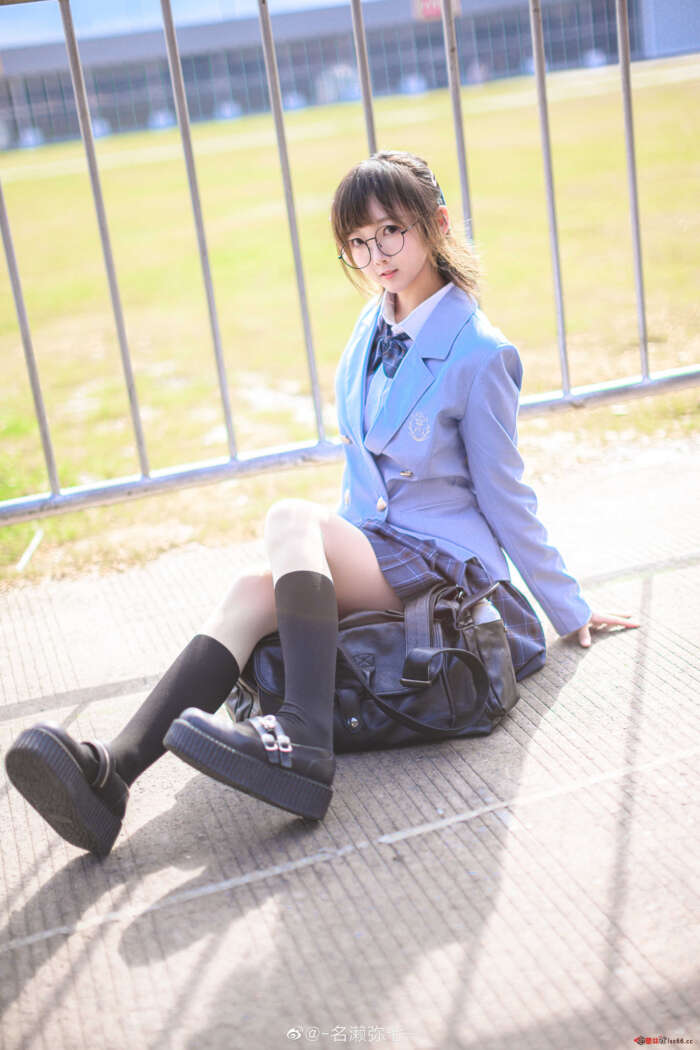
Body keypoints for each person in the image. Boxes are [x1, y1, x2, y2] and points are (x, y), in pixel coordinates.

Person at [5, 150, 639, 858]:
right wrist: (327, 560)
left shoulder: (481, 352)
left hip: (446, 569)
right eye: (359, 243)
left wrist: (568, 608)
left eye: (391, 231)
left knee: (289, 518)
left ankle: (303, 739)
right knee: (252, 590)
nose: (376, 256)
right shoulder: (371, 329)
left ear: (436, 224)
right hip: (383, 548)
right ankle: (112, 774)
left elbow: (505, 492)